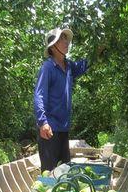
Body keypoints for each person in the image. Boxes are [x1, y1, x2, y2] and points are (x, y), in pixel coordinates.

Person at [34, 27, 89, 172]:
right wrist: (42, 122)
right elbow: (39, 95)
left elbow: (83, 66)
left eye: (66, 39)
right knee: (50, 174)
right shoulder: (48, 68)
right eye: (61, 39)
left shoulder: (69, 66)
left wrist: (97, 52)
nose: (66, 42)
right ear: (52, 46)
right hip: (49, 129)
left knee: (65, 171)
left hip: (63, 128)